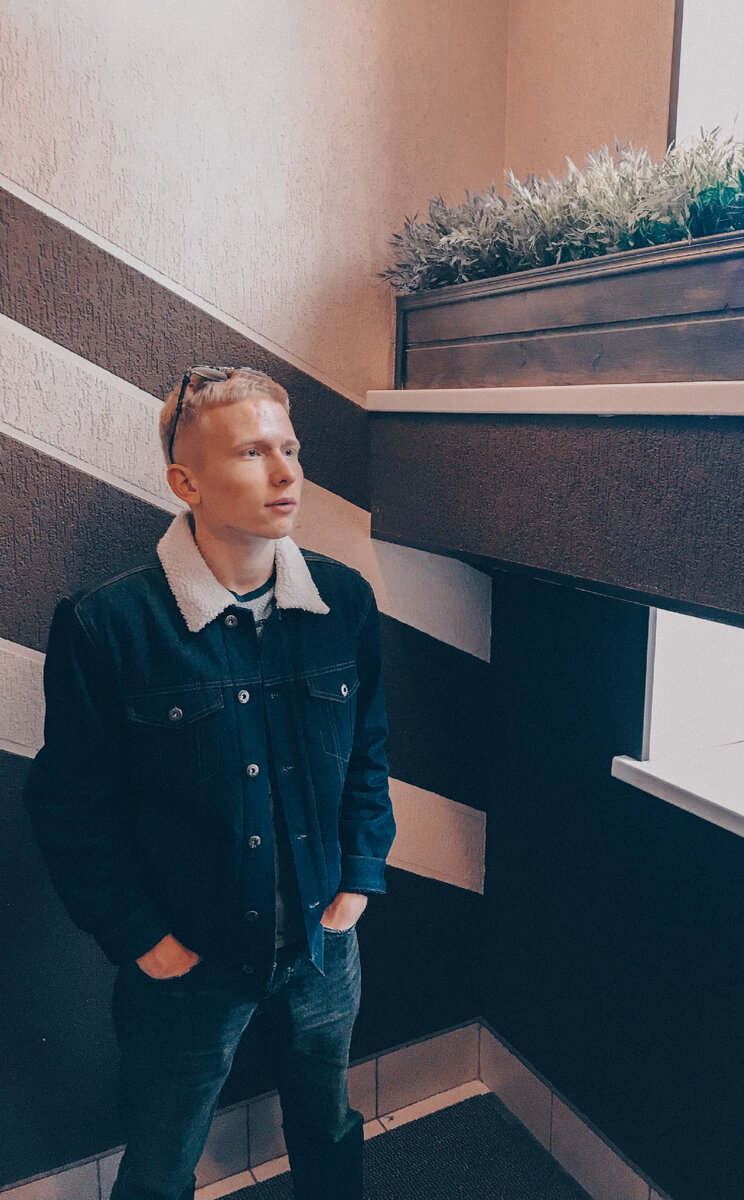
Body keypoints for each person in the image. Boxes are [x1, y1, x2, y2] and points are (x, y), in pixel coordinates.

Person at [25, 366, 395, 1200]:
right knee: (161, 1161)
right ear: (185, 482)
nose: (286, 471)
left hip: (323, 945)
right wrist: (140, 937)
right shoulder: (107, 625)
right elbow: (70, 806)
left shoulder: (344, 601)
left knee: (330, 1128)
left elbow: (368, 752)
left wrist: (359, 878)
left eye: (290, 449)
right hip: (187, 966)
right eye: (252, 452)